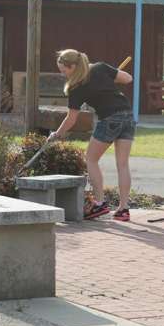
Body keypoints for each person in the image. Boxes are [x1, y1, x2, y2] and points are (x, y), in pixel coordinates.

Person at [48, 49, 135, 221]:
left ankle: (100, 203)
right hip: (127, 116)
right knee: (123, 164)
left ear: (72, 66)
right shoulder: (100, 68)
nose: (62, 73)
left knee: (91, 159)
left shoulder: (76, 87)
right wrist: (111, 77)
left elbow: (71, 118)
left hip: (109, 119)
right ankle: (123, 209)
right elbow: (128, 78)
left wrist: (57, 134)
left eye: (63, 70)